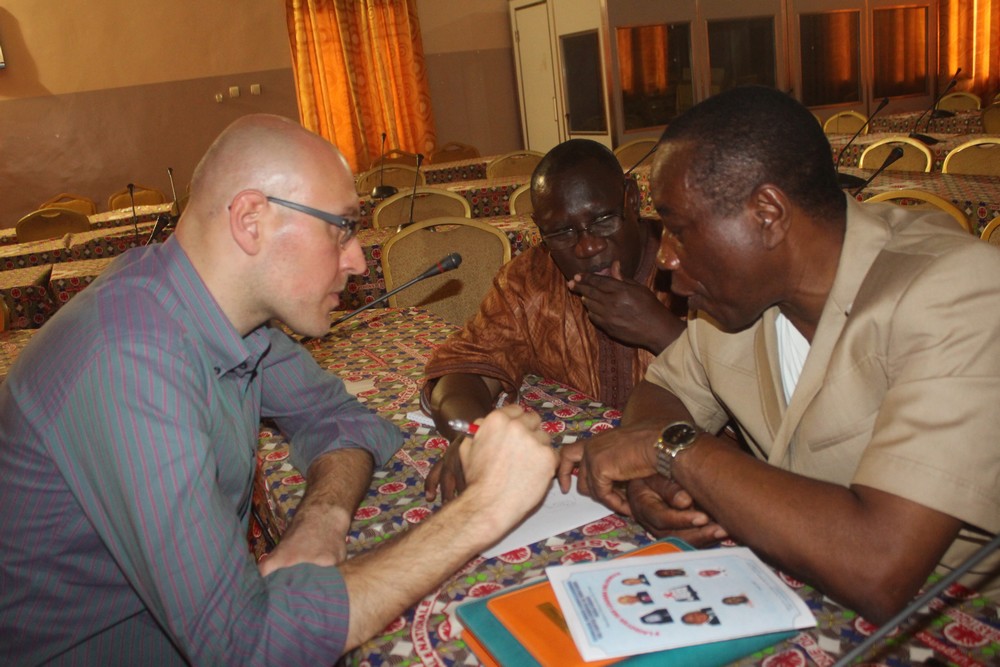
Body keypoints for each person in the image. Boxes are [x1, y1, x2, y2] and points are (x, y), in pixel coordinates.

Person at [0, 114, 557, 665]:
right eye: (340, 226)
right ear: (251, 220)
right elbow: (247, 648)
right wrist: (485, 507)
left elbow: (344, 419)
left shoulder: (217, 315)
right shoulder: (129, 361)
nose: (359, 259)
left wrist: (320, 520)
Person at [558, 86, 1000, 624]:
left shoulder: (958, 290)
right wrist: (658, 480)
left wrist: (673, 450)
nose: (667, 257)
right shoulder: (738, 300)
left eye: (677, 229)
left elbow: (878, 566)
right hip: (788, 590)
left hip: (952, 622)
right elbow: (665, 390)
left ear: (767, 213)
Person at [423, 139, 686, 501]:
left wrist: (663, 331)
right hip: (571, 495)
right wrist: (474, 433)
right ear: (539, 228)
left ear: (631, 199)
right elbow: (465, 370)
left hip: (678, 478)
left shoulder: (687, 268)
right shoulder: (530, 279)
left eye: (603, 220)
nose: (586, 246)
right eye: (561, 233)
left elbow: (755, 395)